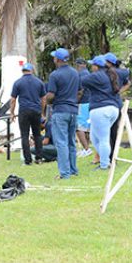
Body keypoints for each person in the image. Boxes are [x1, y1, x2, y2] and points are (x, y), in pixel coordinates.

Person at [45, 48, 80, 180]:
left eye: (54, 57)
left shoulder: (55, 75)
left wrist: (46, 99)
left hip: (60, 111)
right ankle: (73, 170)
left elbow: (51, 95)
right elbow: (80, 91)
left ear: (57, 59)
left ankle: (64, 173)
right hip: (73, 111)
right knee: (71, 141)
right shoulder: (75, 73)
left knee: (61, 142)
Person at [81, 56, 121, 170]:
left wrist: (82, 71)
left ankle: (104, 164)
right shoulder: (110, 74)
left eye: (92, 65)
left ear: (96, 66)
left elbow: (82, 81)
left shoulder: (96, 76)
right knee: (94, 137)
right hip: (113, 108)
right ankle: (106, 159)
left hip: (100, 109)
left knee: (103, 138)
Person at [9, 63, 46, 165]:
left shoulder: (18, 83)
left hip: (24, 111)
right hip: (36, 111)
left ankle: (28, 160)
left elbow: (13, 99)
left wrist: (12, 113)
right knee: (37, 135)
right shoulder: (39, 82)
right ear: (32, 70)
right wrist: (42, 112)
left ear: (22, 71)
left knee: (24, 135)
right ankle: (39, 158)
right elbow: (43, 99)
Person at [75, 58, 93, 157]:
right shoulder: (89, 74)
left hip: (83, 103)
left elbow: (80, 91)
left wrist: (76, 101)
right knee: (87, 127)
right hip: (91, 102)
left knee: (79, 127)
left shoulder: (80, 75)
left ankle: (86, 149)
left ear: (78, 65)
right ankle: (87, 147)